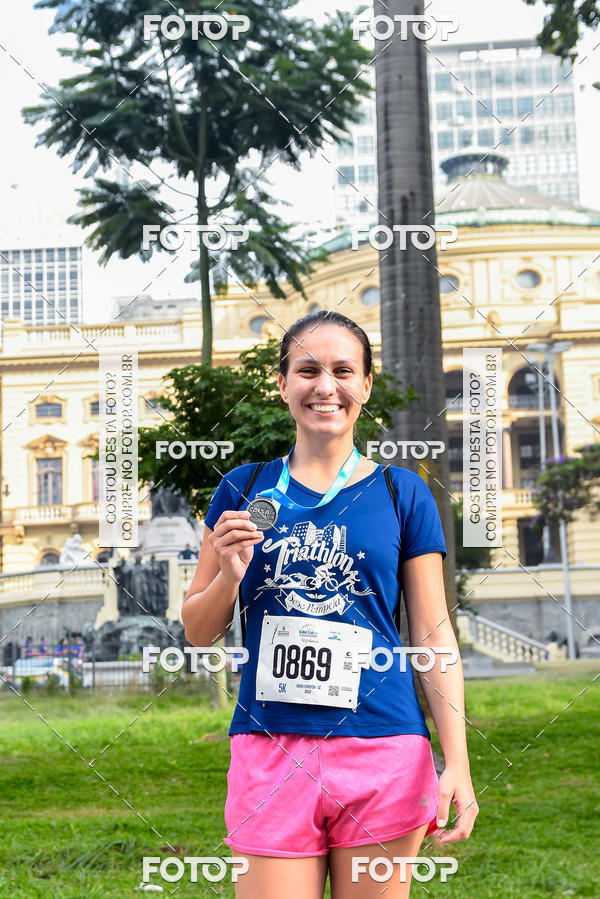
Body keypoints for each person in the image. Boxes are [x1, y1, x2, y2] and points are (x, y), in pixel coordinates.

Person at [182, 311, 478, 898]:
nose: (326, 386)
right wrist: (230, 575)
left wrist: (458, 761)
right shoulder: (242, 488)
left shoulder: (402, 491)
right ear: (283, 382)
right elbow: (198, 631)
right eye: (307, 369)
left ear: (365, 385)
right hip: (270, 746)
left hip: (384, 747)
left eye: (344, 370)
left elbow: (432, 631)